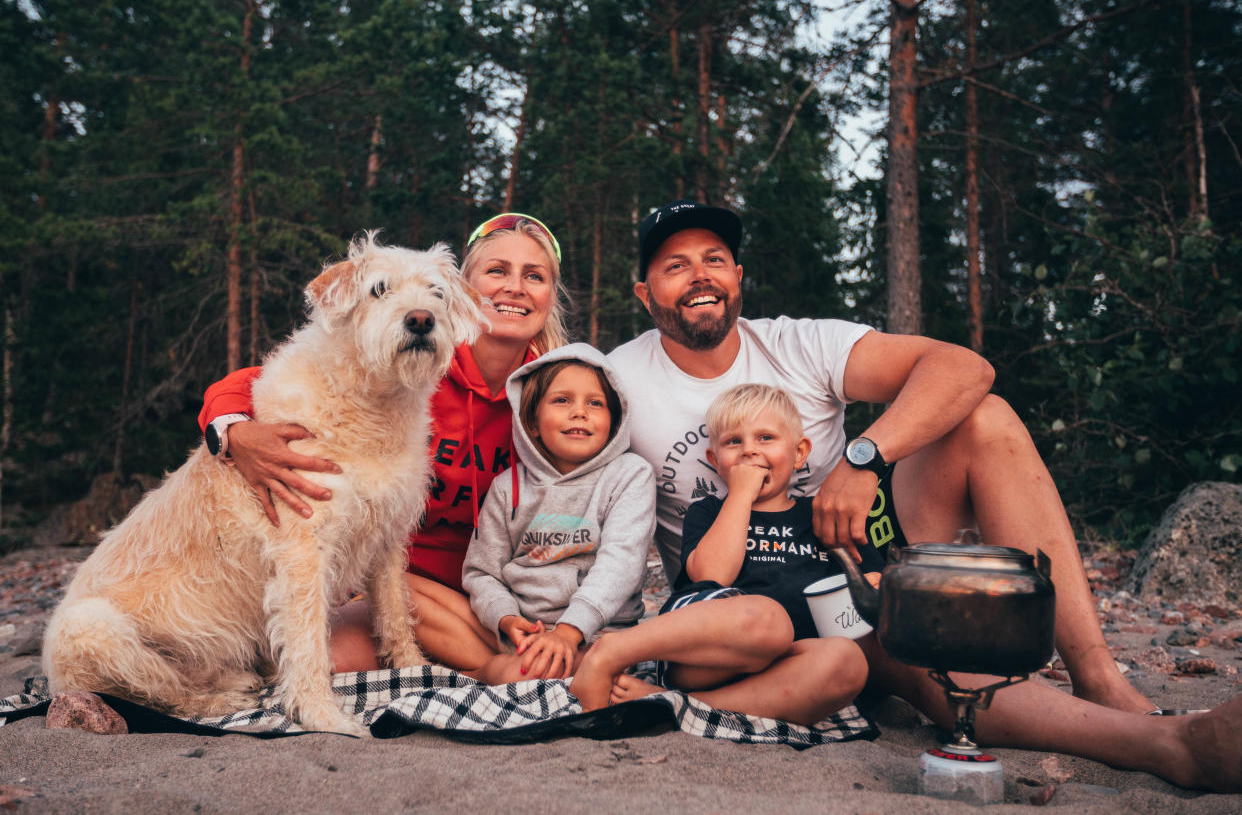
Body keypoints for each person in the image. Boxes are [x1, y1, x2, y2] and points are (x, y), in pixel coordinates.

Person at [591, 198, 1242, 791]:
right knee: (883, 654)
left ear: (738, 275)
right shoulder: (620, 379)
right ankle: (1167, 741)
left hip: (846, 576)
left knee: (984, 418)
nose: (699, 274)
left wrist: (863, 459)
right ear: (646, 293)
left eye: (714, 259)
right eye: (676, 265)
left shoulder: (800, 343)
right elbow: (559, 463)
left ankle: (1108, 686)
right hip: (739, 615)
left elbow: (964, 367)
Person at [196, 214, 570, 673]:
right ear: (464, 291)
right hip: (410, 585)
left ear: (551, 297)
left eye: (535, 276)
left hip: (501, 591)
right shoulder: (409, 364)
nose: (514, 287)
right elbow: (252, 382)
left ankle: (492, 669)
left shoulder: (560, 388)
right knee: (337, 660)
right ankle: (497, 671)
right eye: (497, 271)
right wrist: (234, 430)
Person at [570, 384, 870, 726]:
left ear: (800, 453)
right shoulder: (709, 511)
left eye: (766, 438)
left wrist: (872, 583)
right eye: (733, 442)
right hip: (706, 656)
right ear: (715, 460)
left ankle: (675, 705)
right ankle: (611, 652)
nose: (749, 451)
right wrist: (740, 494)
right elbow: (713, 576)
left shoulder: (819, 516)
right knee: (769, 620)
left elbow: (867, 586)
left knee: (848, 661)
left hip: (784, 665)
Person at [462, 343, 655, 684]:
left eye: (595, 403)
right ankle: (491, 670)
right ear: (531, 423)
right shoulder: (508, 487)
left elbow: (621, 564)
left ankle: (483, 675)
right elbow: (482, 573)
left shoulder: (630, 474)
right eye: (562, 400)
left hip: (600, 636)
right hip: (525, 634)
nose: (580, 412)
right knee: (410, 595)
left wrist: (569, 631)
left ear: (615, 421)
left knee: (541, 672)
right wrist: (506, 619)